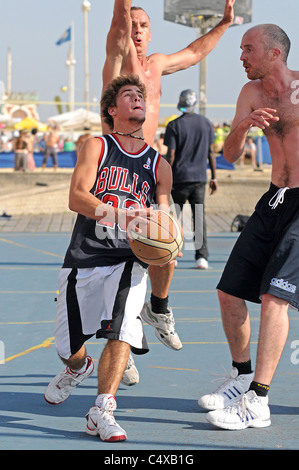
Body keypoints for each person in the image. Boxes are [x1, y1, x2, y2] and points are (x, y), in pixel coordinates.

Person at [101, 0, 235, 364]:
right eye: (133, 25)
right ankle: (119, 345)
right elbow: (119, 24)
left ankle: (157, 307)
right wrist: (123, 13)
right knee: (116, 264)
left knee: (167, 246)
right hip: (113, 165)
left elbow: (193, 52)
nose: (138, 30)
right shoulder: (117, 59)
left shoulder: (156, 65)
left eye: (144, 24)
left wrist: (224, 24)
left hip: (147, 165)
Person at [44, 74, 173, 442]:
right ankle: (77, 367)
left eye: (140, 95)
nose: (137, 99)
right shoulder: (97, 146)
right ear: (112, 110)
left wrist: (168, 235)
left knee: (123, 328)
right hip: (85, 256)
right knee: (67, 348)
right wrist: (123, 215)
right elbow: (77, 198)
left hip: (128, 258)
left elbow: (164, 219)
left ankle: (102, 409)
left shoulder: (159, 166)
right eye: (128, 95)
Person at [198, 24, 299, 431]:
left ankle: (259, 398)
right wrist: (244, 124)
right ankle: (242, 378)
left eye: (248, 49)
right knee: (228, 292)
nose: (241, 56)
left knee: (275, 297)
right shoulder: (250, 94)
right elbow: (229, 156)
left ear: (275, 53)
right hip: (274, 198)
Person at [164, 89, 217, 269]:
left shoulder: (173, 125)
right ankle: (201, 257)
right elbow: (211, 153)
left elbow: (170, 155)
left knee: (172, 218)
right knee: (199, 218)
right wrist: (214, 178)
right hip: (199, 178)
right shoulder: (206, 123)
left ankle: (172, 253)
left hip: (178, 178)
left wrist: (163, 177)